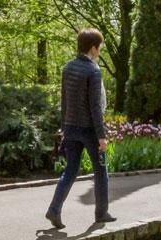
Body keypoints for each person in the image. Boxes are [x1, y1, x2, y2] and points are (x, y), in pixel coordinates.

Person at [45, 28, 114, 229]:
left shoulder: (67, 68)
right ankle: (101, 213)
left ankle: (54, 210)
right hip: (90, 130)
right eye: (99, 47)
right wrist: (102, 136)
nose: (99, 51)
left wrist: (63, 128)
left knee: (70, 170)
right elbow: (95, 106)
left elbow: (64, 102)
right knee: (101, 171)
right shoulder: (93, 71)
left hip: (71, 128)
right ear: (93, 48)